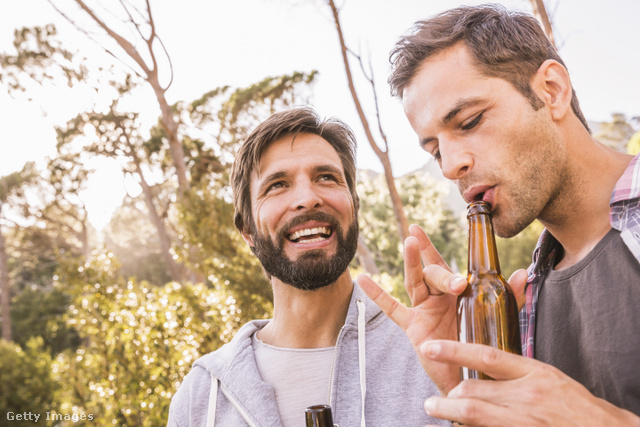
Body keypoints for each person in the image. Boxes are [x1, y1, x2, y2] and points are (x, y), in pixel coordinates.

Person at [357, 4, 640, 426]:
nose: (450, 165)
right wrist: (471, 388)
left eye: (469, 121)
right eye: (435, 151)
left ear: (551, 90)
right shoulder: (526, 296)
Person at [168, 107, 447, 426]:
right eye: (277, 185)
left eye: (325, 177)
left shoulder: (433, 353)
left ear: (354, 208)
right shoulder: (200, 397)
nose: (307, 198)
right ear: (248, 231)